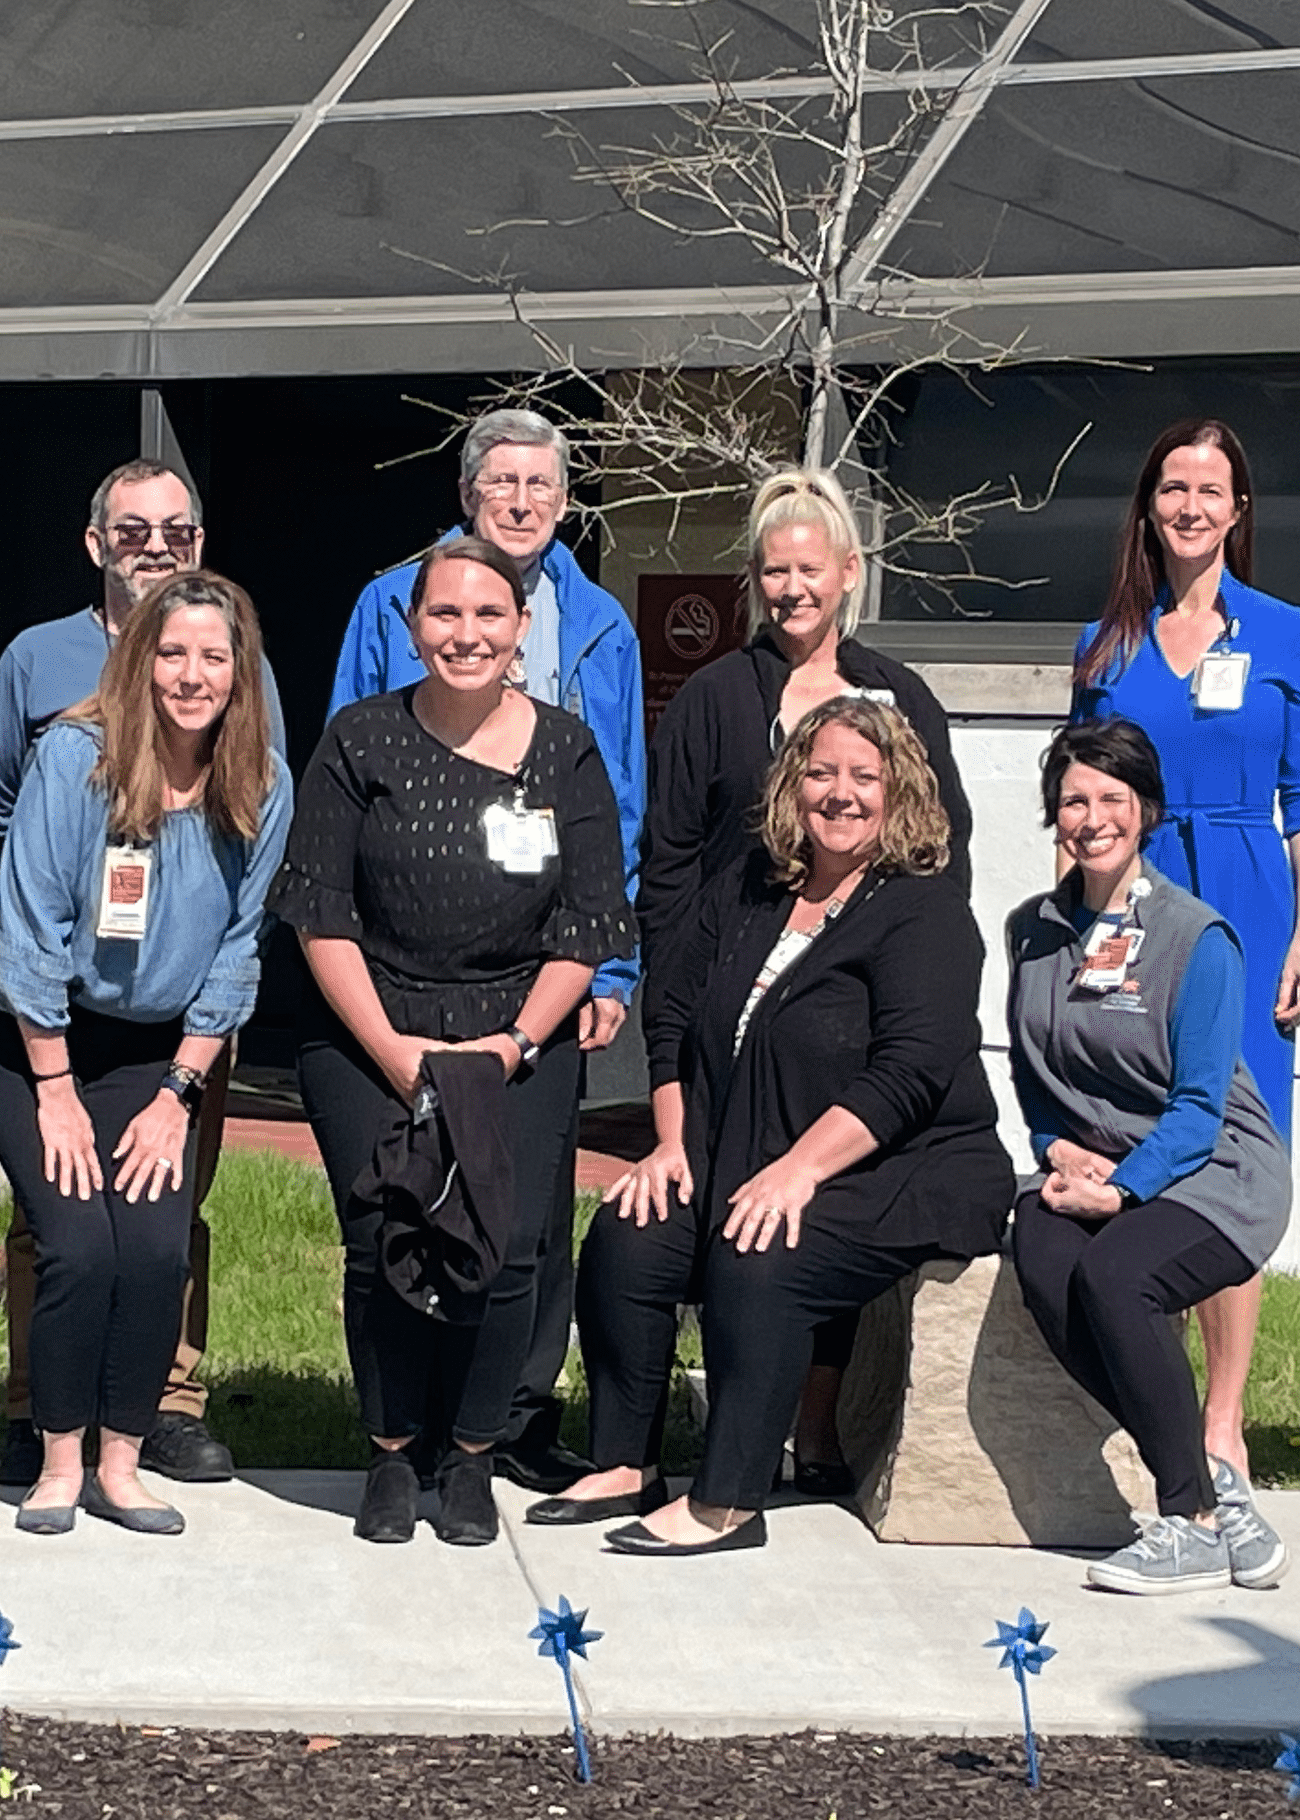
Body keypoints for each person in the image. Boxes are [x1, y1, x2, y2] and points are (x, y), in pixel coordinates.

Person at [543, 695, 1006, 1556]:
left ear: (899, 791)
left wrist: (800, 1170)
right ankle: (623, 1462)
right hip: (737, 1143)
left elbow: (911, 1071)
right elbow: (673, 1015)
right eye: (822, 773)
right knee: (630, 1233)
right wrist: (673, 1142)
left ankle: (728, 1499)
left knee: (760, 1254)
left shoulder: (924, 911)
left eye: (864, 778)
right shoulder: (751, 889)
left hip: (900, 1163)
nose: (841, 794)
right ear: (793, 787)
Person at [279, 536, 631, 1548]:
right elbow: (319, 911)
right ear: (411, 626)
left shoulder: (564, 750)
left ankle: (472, 1454)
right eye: (445, 615)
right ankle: (392, 1452)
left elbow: (590, 920)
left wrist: (512, 1045)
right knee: (380, 1238)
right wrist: (394, 1050)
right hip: (369, 1027)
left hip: (517, 1030)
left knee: (512, 1247)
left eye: (489, 616)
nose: (466, 635)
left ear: (522, 630)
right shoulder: (361, 740)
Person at [633, 462, 976, 1498]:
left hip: (850, 1015)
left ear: (848, 574)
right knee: (704, 1219)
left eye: (810, 569)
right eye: (774, 570)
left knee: (808, 1213)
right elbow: (672, 860)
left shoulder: (897, 696)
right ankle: (690, 1433)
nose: (792, 588)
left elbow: (939, 847)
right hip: (731, 1004)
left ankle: (816, 1432)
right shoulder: (714, 697)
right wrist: (675, 994)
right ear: (754, 578)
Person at [330, 407, 645, 1485]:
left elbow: (625, 793)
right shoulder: (390, 600)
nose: (521, 500)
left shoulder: (601, 620)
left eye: (541, 486)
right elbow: (352, 766)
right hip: (404, 952)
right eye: (502, 481)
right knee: (401, 1190)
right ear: (468, 493)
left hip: (548, 955)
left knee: (532, 1202)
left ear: (564, 503)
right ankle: (407, 1419)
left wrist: (611, 961)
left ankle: (512, 1414)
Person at [0, 571, 289, 1539]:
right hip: (20, 1018)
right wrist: (54, 1090)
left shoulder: (261, 780)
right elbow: (30, 931)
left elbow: (235, 953)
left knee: (150, 1243)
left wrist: (180, 1092)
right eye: (172, 653)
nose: (192, 675)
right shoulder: (74, 759)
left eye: (213, 657)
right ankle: (58, 1460)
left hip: (153, 1038)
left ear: (240, 670)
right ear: (140, 661)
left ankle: (123, 1464)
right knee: (78, 1240)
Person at [1069, 419, 1300, 1590]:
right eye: (1170, 484)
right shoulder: (1107, 641)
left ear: (1238, 508)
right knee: (1141, 1141)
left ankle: (1222, 1429)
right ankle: (1160, 1417)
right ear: (1149, 504)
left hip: (1245, 904)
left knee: (1227, 1160)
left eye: (1209, 488)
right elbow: (1081, 796)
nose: (1188, 505)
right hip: (1133, 905)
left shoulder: (1283, 635)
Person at [1003, 720, 1294, 1597]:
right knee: (1047, 1262)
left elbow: (1202, 1107)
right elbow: (1032, 1071)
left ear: (1147, 812)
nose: (1090, 818)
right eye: (1072, 801)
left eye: (1110, 800)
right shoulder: (1031, 932)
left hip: (1213, 1170)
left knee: (1116, 1277)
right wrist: (1056, 1150)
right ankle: (1216, 1495)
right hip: (1092, 1163)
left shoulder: (1196, 937)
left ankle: (1189, 1518)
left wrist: (1122, 1192)